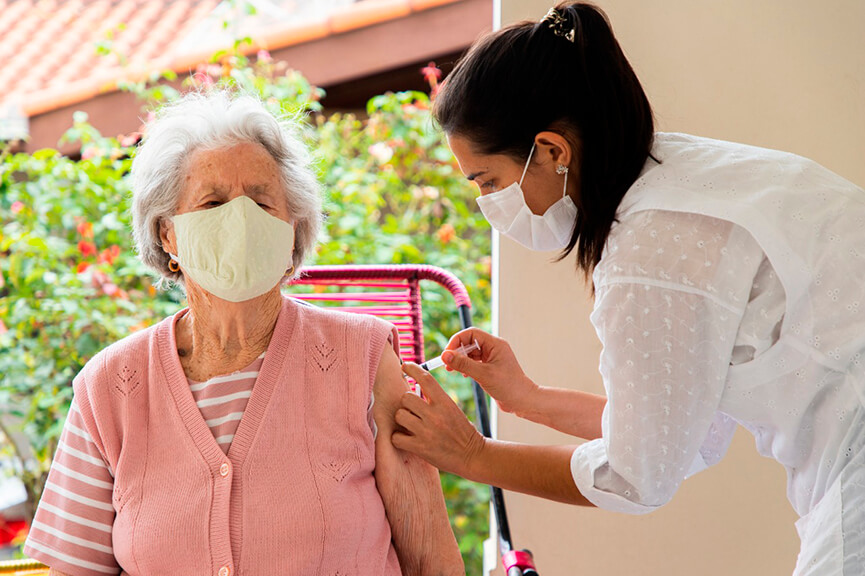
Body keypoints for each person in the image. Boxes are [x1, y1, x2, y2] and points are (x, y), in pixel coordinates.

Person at [391, 3, 865, 574]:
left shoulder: (653, 245)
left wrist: (471, 455)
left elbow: (637, 475)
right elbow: (686, 431)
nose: (489, 203)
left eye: (487, 181)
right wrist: (526, 398)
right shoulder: (685, 173)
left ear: (552, 151)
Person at [23, 91, 464, 576]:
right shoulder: (109, 386)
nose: (241, 221)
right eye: (213, 201)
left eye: (261, 201)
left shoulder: (365, 361)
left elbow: (433, 563)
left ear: (293, 226)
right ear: (167, 234)